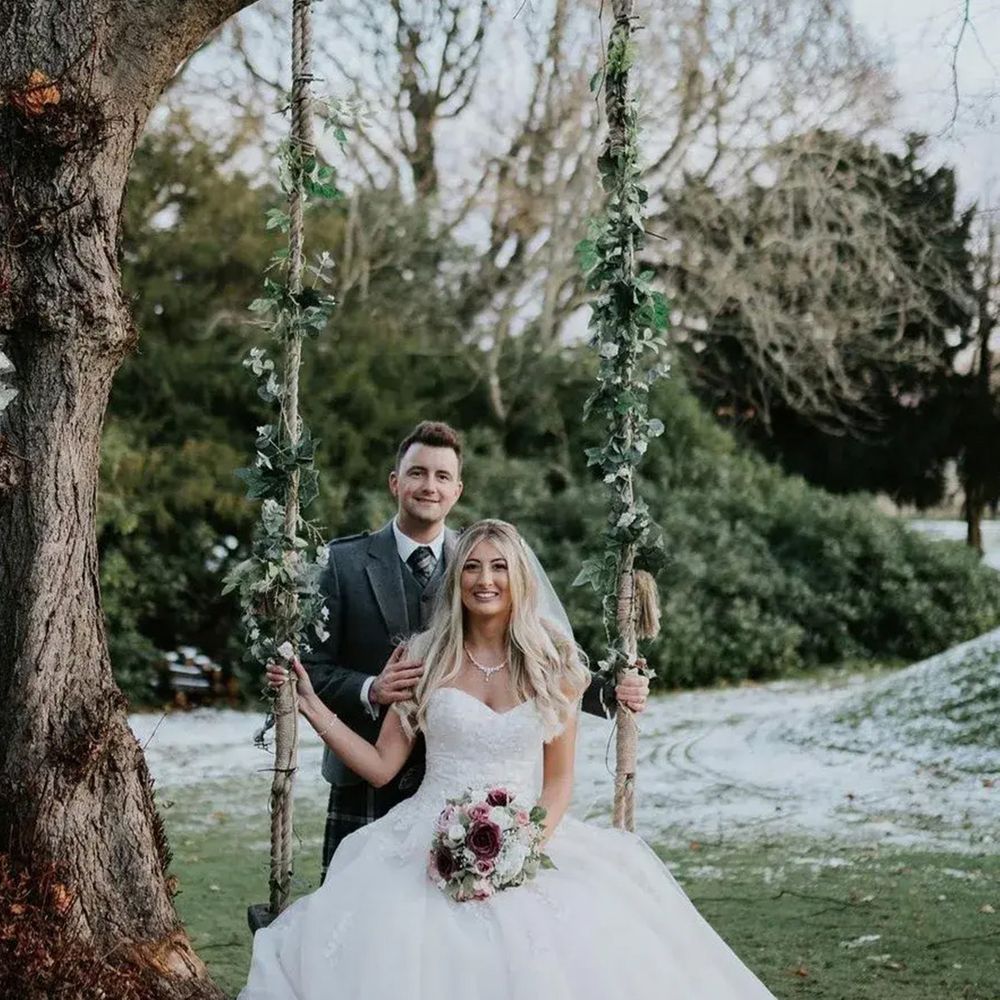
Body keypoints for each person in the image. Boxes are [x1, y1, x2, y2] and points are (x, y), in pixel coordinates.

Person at [241, 520, 776, 1000]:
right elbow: (382, 765)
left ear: (519, 577)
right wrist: (311, 707)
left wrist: (521, 852)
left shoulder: (554, 664)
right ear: (456, 581)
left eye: (498, 566)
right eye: (471, 567)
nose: (484, 579)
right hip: (425, 839)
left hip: (531, 836)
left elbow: (560, 782)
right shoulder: (423, 658)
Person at [290, 420, 649, 876]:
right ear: (395, 482)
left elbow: (536, 659)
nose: (429, 486)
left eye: (442, 476)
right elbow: (315, 668)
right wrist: (371, 690)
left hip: (497, 807)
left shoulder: (479, 556)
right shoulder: (344, 562)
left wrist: (614, 693)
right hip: (373, 785)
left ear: (457, 489)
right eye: (417, 473)